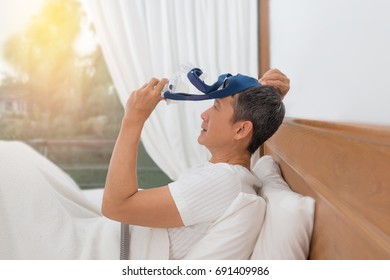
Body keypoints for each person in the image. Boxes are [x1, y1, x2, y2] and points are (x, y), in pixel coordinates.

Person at [102, 68, 290, 259]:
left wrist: (133, 119)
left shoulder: (223, 181)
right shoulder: (229, 175)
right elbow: (251, 127)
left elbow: (115, 206)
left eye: (216, 106)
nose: (204, 115)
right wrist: (266, 102)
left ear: (241, 129)